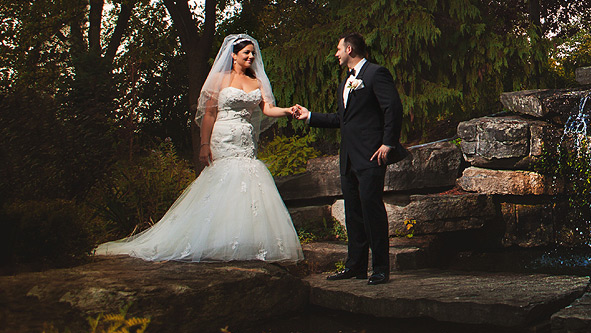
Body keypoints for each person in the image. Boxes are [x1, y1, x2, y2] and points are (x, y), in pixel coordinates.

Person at [95, 34, 303, 263]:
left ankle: (243, 240)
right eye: (246, 53)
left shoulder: (258, 82)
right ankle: (213, 239)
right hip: (222, 137)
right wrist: (204, 144)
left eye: (253, 53)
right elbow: (209, 114)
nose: (251, 57)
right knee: (224, 180)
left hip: (245, 139)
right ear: (233, 55)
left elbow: (267, 109)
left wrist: (287, 111)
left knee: (249, 180)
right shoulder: (219, 79)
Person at [291, 33, 405, 285]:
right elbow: (342, 120)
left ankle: (380, 269)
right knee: (353, 213)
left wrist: (388, 142)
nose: (336, 54)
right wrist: (310, 117)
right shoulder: (347, 81)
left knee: (371, 210)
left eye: (338, 49)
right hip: (349, 158)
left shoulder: (376, 74)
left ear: (349, 49)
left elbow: (393, 108)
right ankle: (355, 266)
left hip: (371, 155)